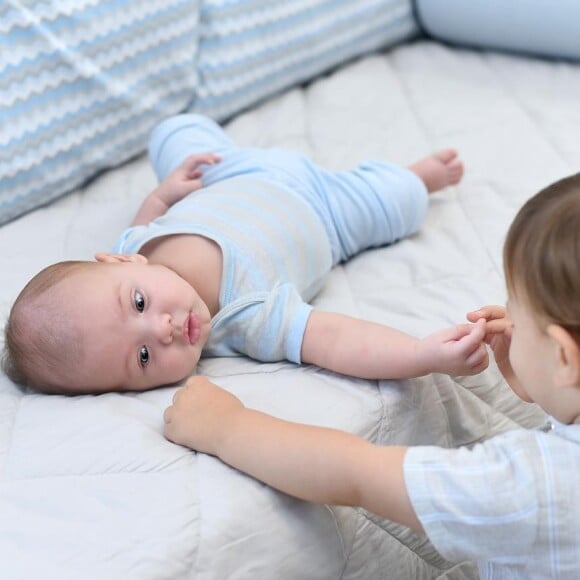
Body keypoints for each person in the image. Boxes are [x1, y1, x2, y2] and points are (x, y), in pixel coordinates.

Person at [163, 173, 580, 578]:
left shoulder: (530, 487)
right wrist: (531, 371)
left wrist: (227, 427)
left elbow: (356, 474)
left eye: (519, 314)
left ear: (564, 357)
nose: (508, 320)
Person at [3, 114, 488, 395]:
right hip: (328, 211)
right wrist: (420, 354)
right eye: (144, 356)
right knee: (398, 201)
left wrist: (166, 192)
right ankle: (417, 176)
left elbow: (145, 219)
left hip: (228, 172)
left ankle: (193, 151)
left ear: (120, 263)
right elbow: (338, 339)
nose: (163, 328)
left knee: (173, 134)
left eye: (137, 304)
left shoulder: (134, 248)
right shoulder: (246, 319)